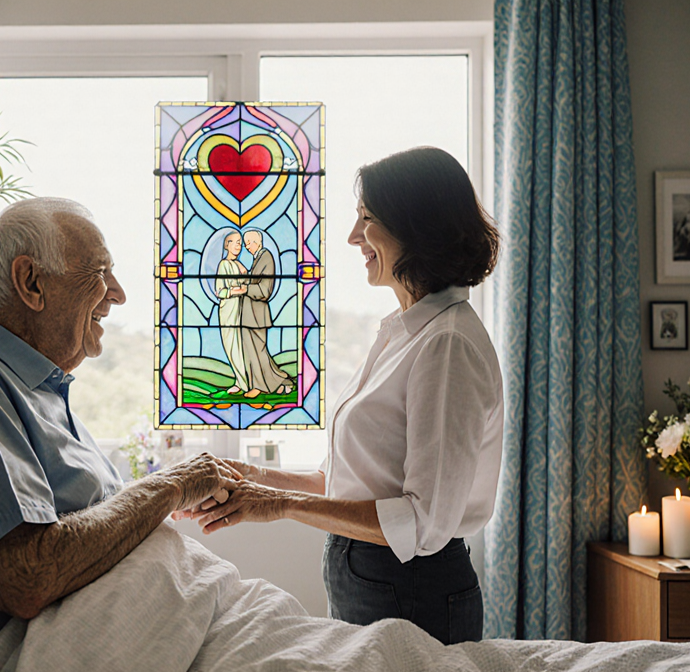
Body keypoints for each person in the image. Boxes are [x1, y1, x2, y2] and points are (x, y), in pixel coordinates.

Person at [0, 197, 242, 668]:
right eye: (99, 271)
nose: (118, 293)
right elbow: (28, 576)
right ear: (30, 282)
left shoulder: (29, 387)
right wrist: (169, 486)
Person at [185, 147, 503, 645]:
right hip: (372, 574)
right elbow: (358, 483)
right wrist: (256, 477)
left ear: (413, 225)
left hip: (408, 585)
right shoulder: (406, 332)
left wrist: (279, 503)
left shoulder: (446, 346)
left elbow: (421, 523)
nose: (353, 237)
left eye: (367, 220)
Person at [237, 229, 294, 398]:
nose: (247, 247)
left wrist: (245, 288)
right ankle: (281, 381)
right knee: (255, 351)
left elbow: (264, 290)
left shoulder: (265, 257)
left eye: (249, 243)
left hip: (256, 315)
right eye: (245, 243)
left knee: (258, 352)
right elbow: (256, 281)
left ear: (259, 242)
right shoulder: (258, 259)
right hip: (250, 314)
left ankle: (260, 387)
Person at [215, 231, 251, 394]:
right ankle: (241, 382)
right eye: (234, 242)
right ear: (226, 245)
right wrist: (236, 291)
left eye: (240, 242)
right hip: (228, 310)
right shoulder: (223, 265)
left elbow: (248, 285)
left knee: (242, 346)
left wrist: (245, 273)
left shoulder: (239, 265)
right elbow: (220, 291)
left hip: (241, 309)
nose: (238, 245)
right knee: (232, 346)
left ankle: (244, 382)